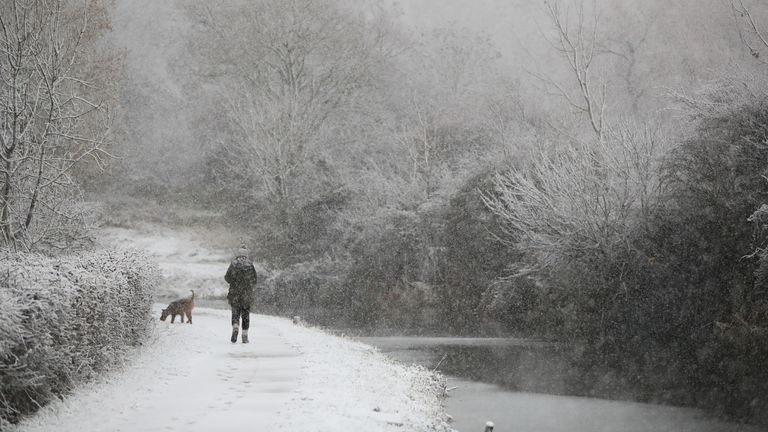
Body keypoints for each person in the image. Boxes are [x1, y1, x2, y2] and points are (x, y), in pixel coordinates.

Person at [224, 244, 257, 343]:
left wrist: (234, 282)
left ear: (238, 254)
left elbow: (227, 278)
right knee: (245, 314)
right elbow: (254, 280)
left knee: (235, 313)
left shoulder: (233, 264)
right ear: (246, 255)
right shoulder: (250, 265)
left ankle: (235, 327)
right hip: (246, 294)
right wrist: (248, 285)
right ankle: (245, 336)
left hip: (235, 293)